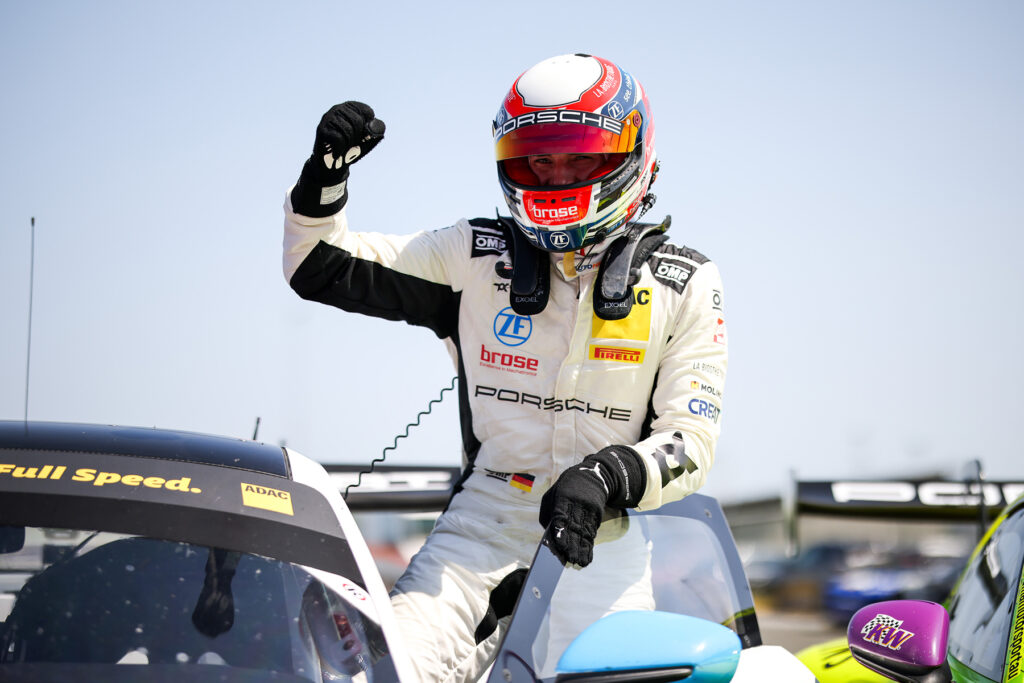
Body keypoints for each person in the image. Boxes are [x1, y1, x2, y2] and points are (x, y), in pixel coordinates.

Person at [282, 53, 728, 683]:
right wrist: (322, 183)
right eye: (538, 158)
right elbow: (318, 266)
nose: (555, 174)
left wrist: (605, 477)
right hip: (478, 535)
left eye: (578, 155)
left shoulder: (685, 281)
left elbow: (692, 444)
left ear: (630, 154)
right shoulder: (473, 254)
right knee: (378, 674)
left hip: (602, 547)